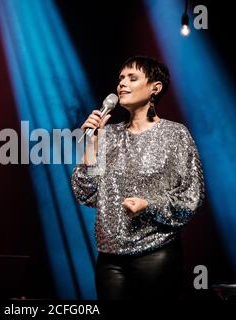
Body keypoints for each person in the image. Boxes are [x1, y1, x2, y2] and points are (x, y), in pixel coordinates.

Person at [71, 55, 204, 300]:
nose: (122, 84)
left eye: (132, 78)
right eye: (121, 78)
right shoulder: (108, 135)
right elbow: (85, 192)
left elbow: (190, 197)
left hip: (156, 253)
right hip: (109, 256)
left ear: (155, 88)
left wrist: (149, 205)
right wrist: (93, 142)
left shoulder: (175, 135)